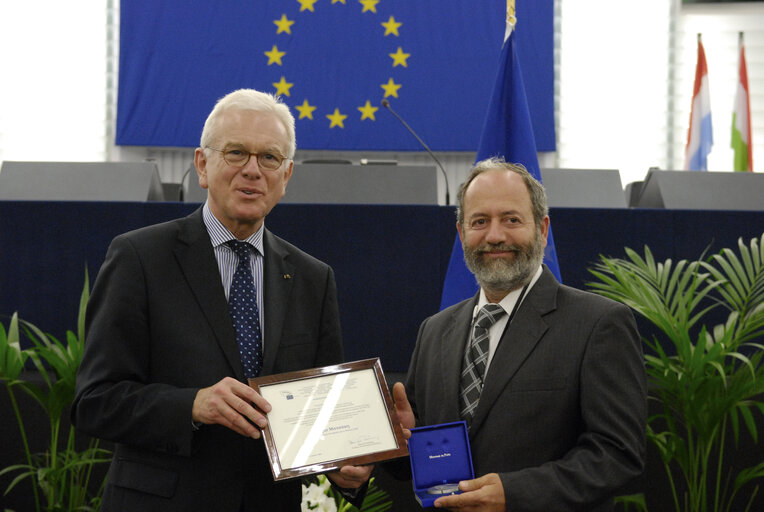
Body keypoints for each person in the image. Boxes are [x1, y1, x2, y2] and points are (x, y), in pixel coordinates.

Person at [72, 89, 371, 511]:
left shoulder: (312, 278)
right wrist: (192, 405)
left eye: (269, 158)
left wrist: (342, 467)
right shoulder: (140, 258)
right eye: (236, 153)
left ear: (285, 177)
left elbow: (319, 419)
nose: (252, 170)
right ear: (202, 165)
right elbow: (94, 403)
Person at [393, 158, 646, 511]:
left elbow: (618, 454)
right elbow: (425, 458)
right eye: (479, 222)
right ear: (462, 233)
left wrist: (515, 493)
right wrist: (404, 442)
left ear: (542, 230)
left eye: (511, 220)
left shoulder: (598, 325)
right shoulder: (435, 330)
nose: (495, 236)